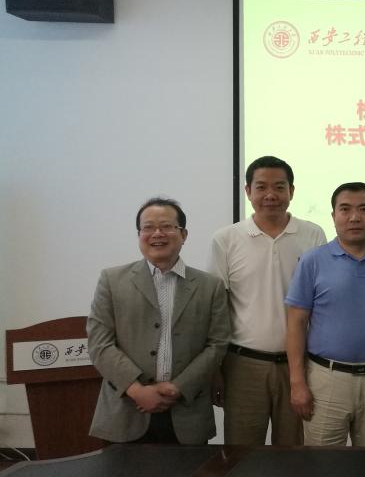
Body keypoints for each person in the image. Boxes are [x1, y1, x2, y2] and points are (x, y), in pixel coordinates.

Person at [88, 198, 230, 444]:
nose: (157, 234)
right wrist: (137, 390)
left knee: (190, 471)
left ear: (183, 234)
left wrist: (178, 388)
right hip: (126, 410)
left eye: (166, 226)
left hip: (187, 412)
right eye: (148, 227)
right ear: (139, 235)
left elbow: (217, 344)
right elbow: (100, 343)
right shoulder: (112, 280)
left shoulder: (210, 286)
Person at [208, 156, 326, 446]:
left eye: (279, 187)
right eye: (261, 187)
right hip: (243, 366)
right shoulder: (226, 239)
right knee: (242, 455)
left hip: (299, 366)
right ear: (248, 191)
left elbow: (322, 304)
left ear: (292, 191)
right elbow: (216, 309)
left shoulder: (313, 234)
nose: (270, 195)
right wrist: (216, 370)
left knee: (295, 454)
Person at [285, 182, 365, 447]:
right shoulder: (312, 261)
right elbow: (295, 324)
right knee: (323, 466)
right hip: (325, 380)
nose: (354, 217)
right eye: (345, 209)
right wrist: (297, 383)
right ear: (333, 215)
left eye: (364, 209)